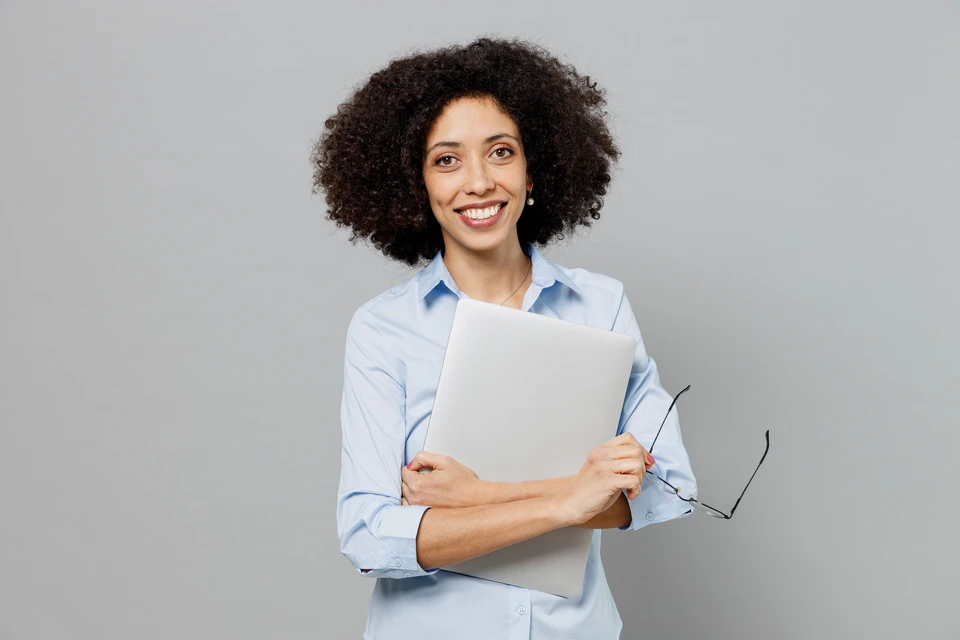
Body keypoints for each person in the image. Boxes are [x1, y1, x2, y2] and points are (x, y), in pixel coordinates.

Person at [312, 37, 698, 639]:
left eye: (500, 152)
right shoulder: (383, 329)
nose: (478, 182)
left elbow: (666, 487)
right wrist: (567, 500)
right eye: (446, 160)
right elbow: (369, 536)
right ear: (416, 184)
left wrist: (475, 496)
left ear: (532, 167)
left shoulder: (601, 305)